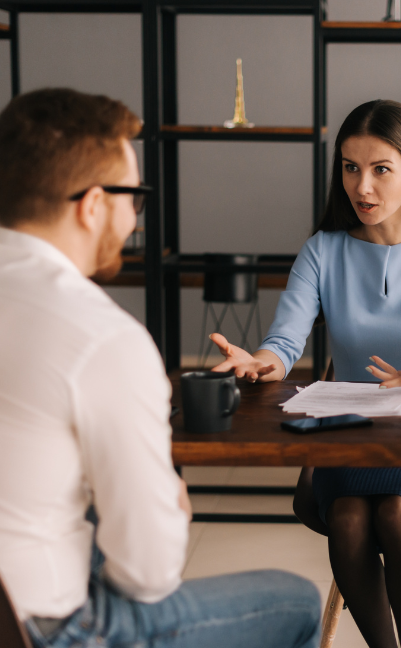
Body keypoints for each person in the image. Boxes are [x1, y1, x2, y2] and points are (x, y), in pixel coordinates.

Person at [0, 88, 321, 648]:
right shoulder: (102, 338)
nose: (135, 218)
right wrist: (171, 497)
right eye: (135, 197)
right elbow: (149, 578)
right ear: (93, 204)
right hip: (41, 628)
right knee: (296, 599)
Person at [211, 99, 401, 648]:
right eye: (350, 167)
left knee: (394, 511)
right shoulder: (322, 252)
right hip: (348, 441)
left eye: (380, 169)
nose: (362, 187)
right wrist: (260, 363)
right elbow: (284, 343)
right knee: (347, 516)